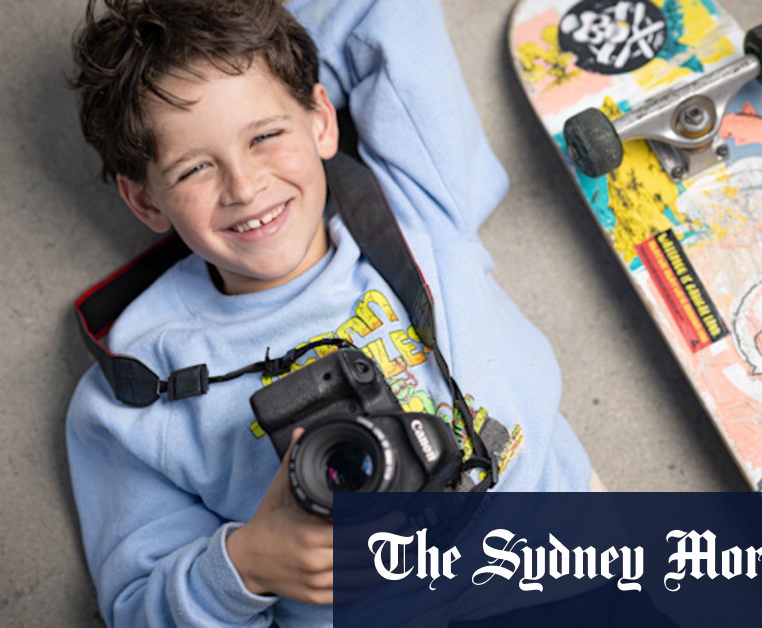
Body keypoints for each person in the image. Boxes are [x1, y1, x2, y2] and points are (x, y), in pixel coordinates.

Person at [65, 0, 597, 625]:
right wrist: (246, 565)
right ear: (145, 201)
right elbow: (137, 610)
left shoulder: (412, 198)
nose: (244, 186)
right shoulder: (138, 390)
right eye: (194, 168)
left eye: (265, 135)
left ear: (321, 118)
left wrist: (240, 24)